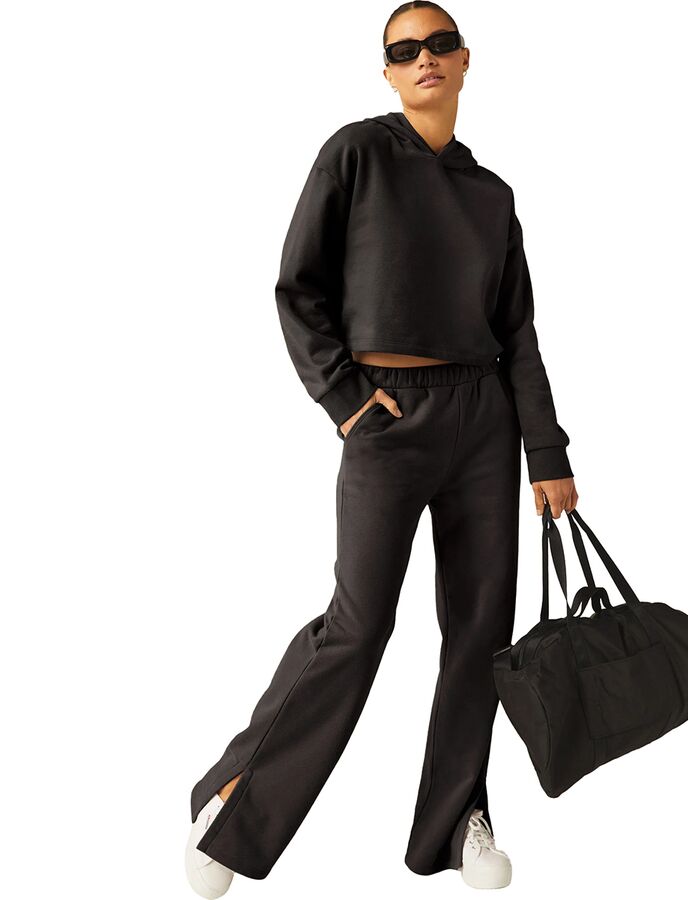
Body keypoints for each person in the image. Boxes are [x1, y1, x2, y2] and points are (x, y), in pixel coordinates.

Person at [185, 2, 579, 894]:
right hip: (387, 420)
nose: (424, 57)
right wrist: (347, 401)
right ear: (390, 72)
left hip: (484, 421)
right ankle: (235, 803)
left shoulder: (491, 194)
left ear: (465, 61)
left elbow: (518, 333)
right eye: (405, 50)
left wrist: (546, 452)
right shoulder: (355, 154)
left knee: (480, 632)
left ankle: (456, 820)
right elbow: (298, 288)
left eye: (440, 44)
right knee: (358, 627)